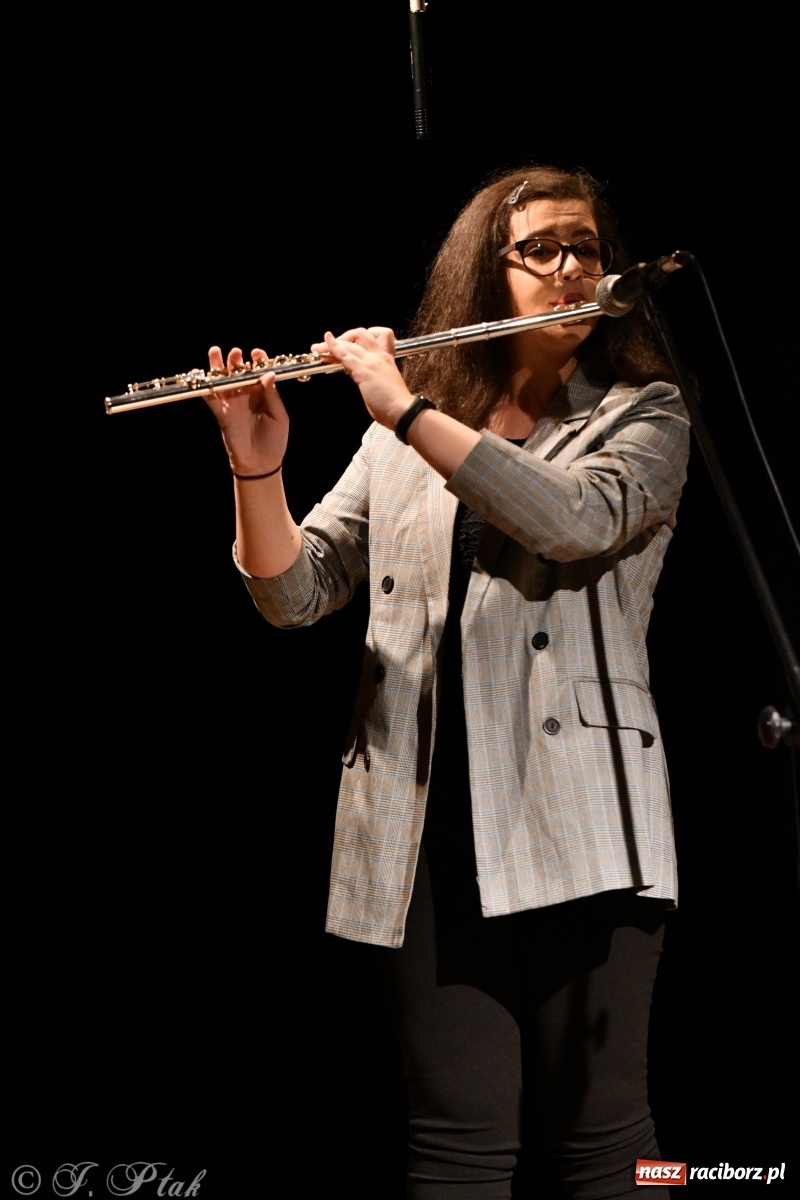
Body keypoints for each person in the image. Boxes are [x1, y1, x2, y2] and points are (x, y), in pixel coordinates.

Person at [205, 165, 690, 1199]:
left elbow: (573, 520)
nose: (571, 268)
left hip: (582, 817)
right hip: (421, 826)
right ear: (485, 273)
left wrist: (403, 406)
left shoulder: (642, 414)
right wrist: (257, 468)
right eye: (541, 249)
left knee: (612, 1146)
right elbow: (297, 594)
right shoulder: (399, 441)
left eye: (588, 247)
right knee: (455, 1146)